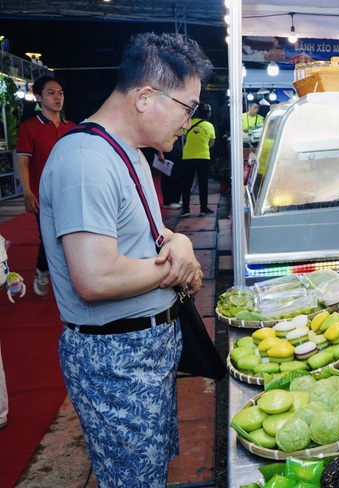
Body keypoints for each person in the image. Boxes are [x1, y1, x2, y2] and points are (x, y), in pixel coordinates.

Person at [38, 32, 210, 486]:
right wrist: (178, 268)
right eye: (187, 107)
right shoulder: (84, 159)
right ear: (145, 97)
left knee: (149, 472)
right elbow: (94, 276)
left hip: (145, 351)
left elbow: (146, 233)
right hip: (116, 359)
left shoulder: (128, 152)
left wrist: (181, 244)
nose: (189, 122)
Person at [15, 75, 74, 297]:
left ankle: (69, 275)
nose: (58, 97)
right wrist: (27, 192)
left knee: (70, 234)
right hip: (43, 195)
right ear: (38, 97)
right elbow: (22, 161)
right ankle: (42, 268)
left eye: (60, 93)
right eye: (51, 93)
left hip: (70, 193)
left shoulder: (72, 127)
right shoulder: (30, 128)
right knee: (48, 236)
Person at [181, 103, 215, 216]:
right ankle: (203, 208)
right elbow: (212, 143)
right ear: (208, 114)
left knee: (186, 184)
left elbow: (184, 134)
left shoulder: (190, 123)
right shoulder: (209, 126)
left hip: (188, 156)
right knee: (203, 184)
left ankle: (185, 210)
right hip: (203, 157)